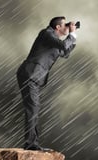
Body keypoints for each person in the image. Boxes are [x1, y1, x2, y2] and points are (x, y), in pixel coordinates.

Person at [16, 16, 77, 151]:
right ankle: (31, 144)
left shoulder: (54, 41)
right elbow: (63, 45)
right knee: (32, 109)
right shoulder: (46, 33)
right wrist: (71, 33)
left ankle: (32, 143)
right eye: (65, 25)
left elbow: (65, 52)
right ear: (58, 27)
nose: (67, 27)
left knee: (34, 109)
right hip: (30, 74)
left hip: (34, 77)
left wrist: (73, 36)